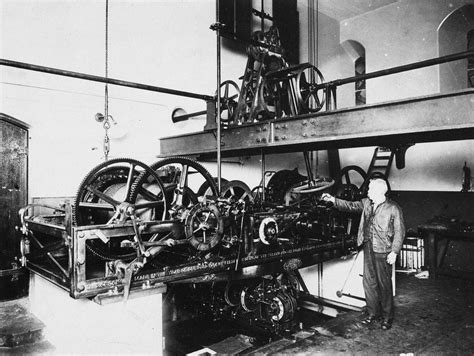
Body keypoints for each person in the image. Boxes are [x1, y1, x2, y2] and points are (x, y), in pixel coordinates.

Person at [321, 178, 405, 330]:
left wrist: (394, 251)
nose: (367, 191)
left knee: (384, 284)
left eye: (370, 189)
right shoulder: (367, 203)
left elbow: (400, 232)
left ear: (380, 191)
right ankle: (373, 313)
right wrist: (333, 200)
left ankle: (387, 317)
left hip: (383, 250)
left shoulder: (393, 208)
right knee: (369, 282)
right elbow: (350, 206)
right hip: (368, 247)